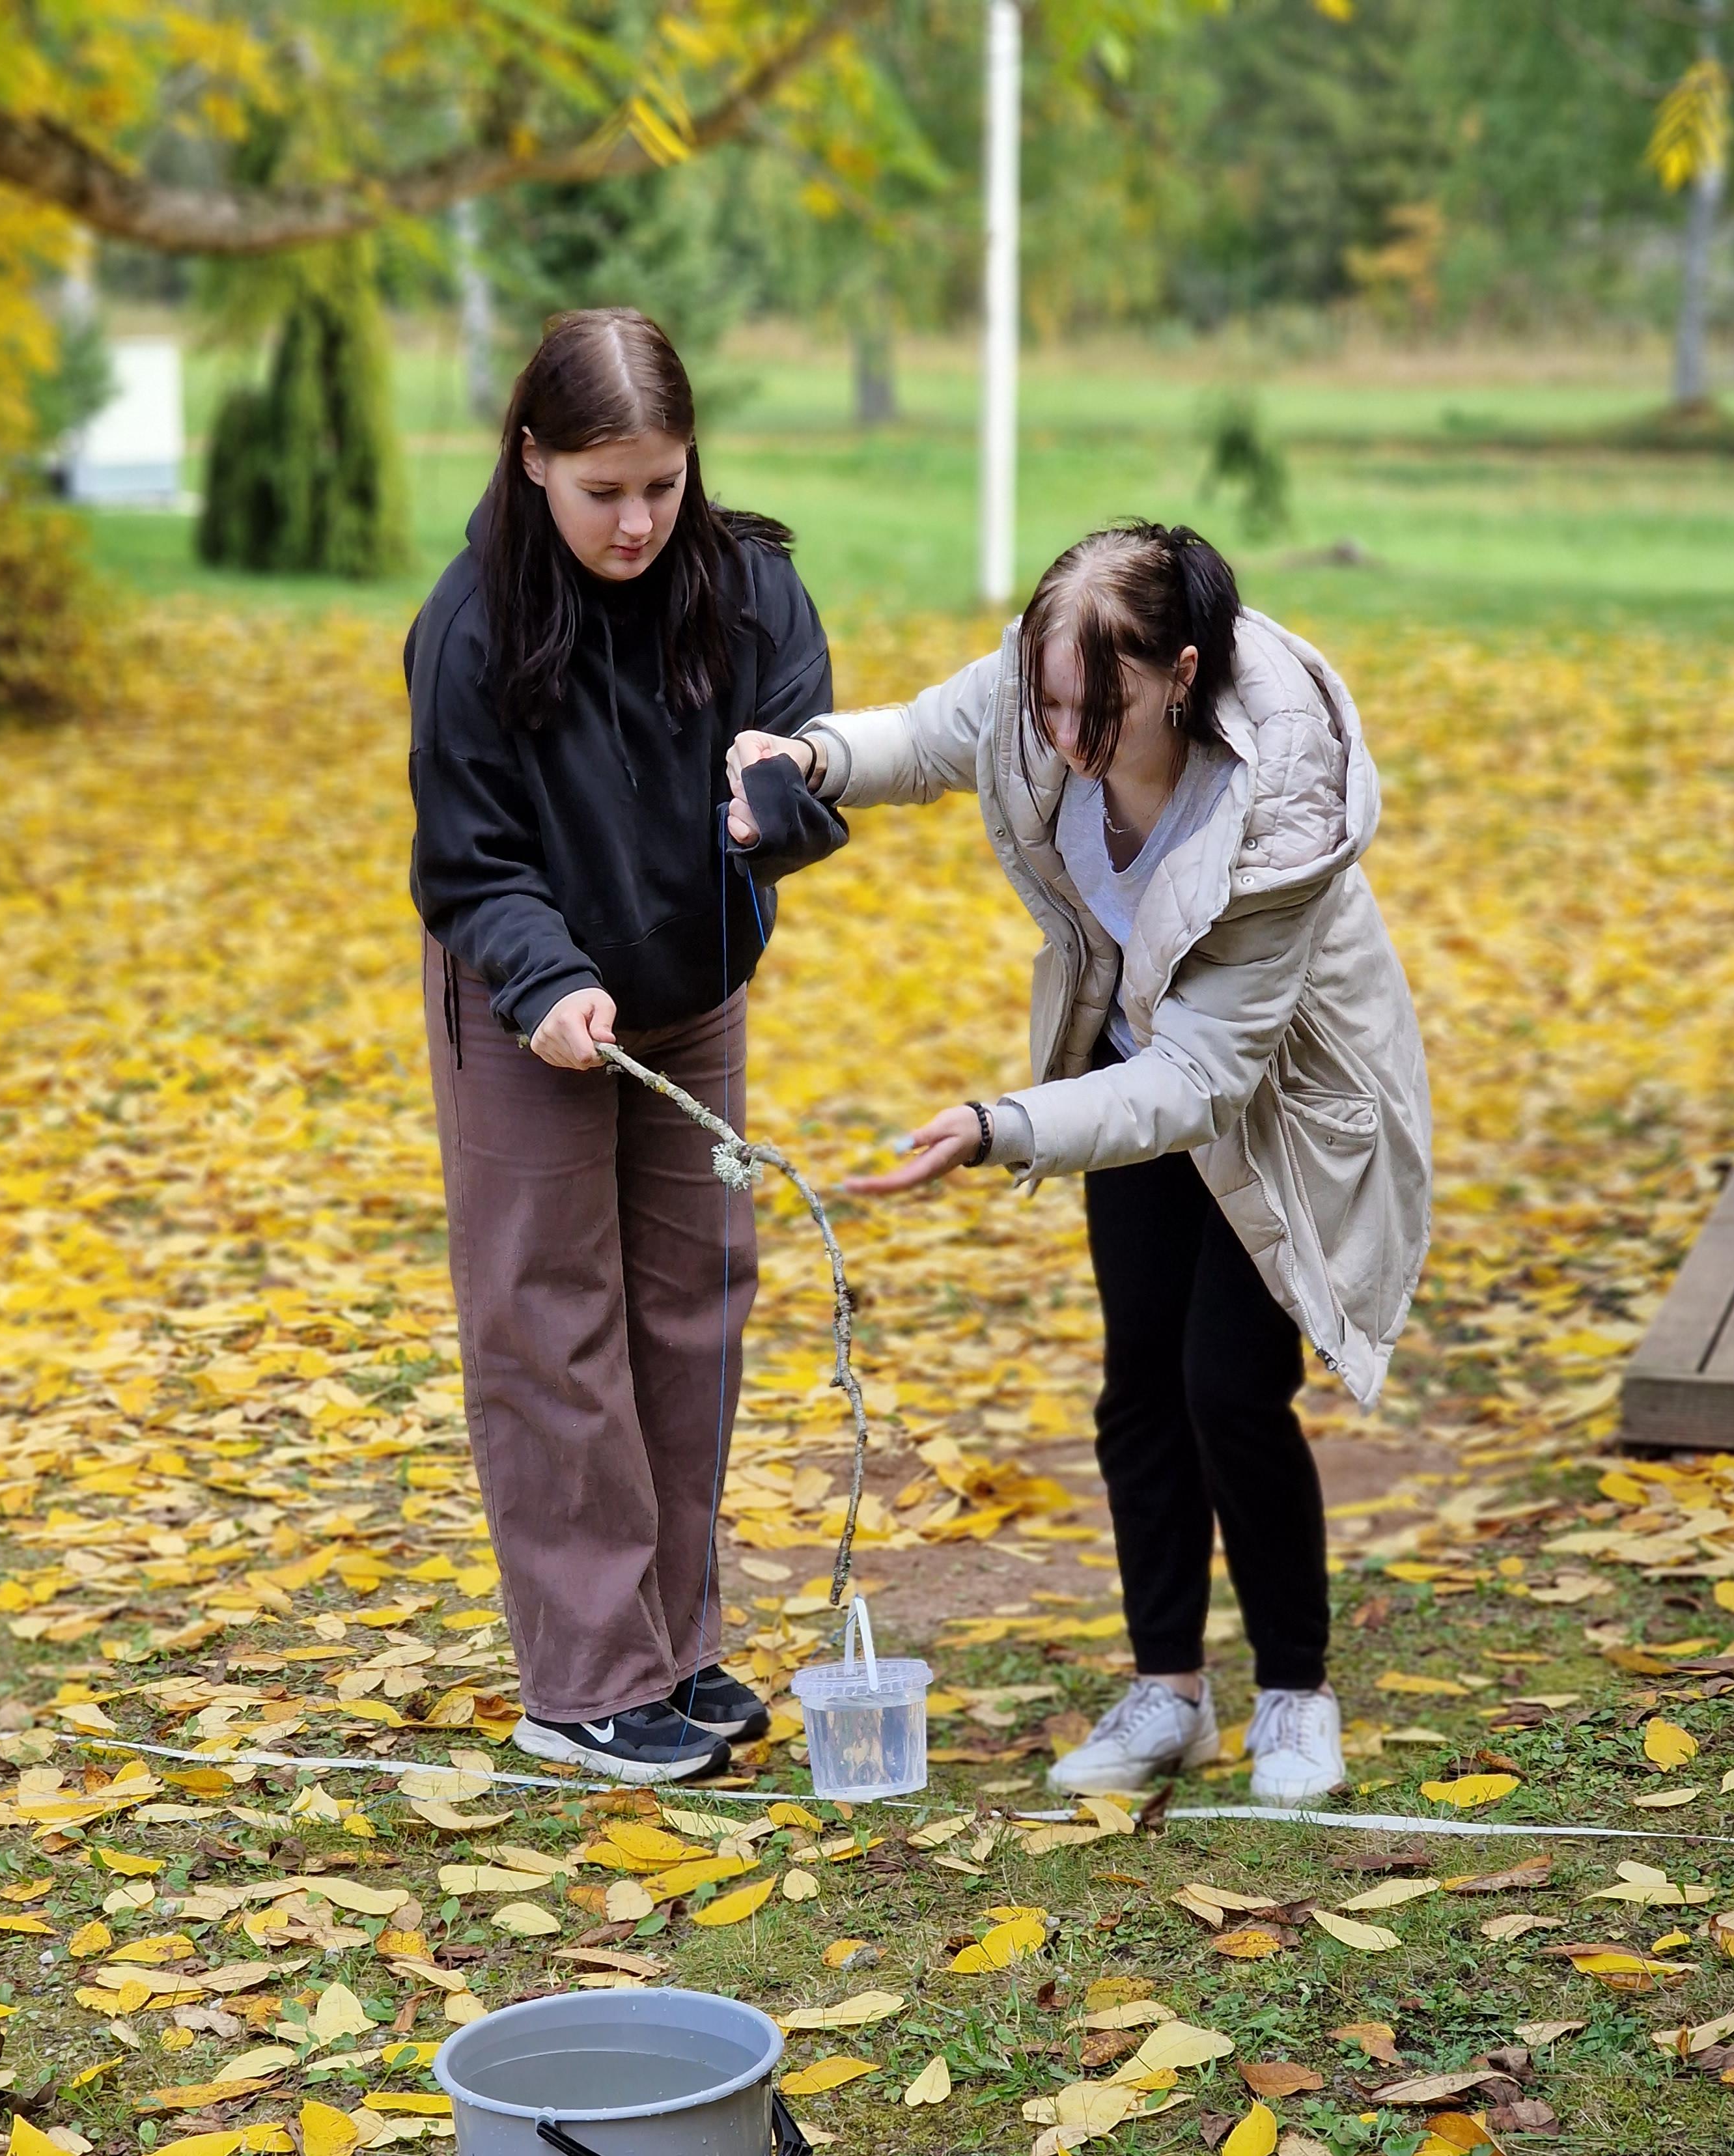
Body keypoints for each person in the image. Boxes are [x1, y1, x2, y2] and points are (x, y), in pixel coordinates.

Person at [727, 521, 1429, 1808]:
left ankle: (1295, 1689)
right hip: (1125, 1068)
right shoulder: (1046, 684)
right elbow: (925, 740)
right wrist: (810, 756)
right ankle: (1169, 1691)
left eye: (1094, 712)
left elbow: (1205, 1079)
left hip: (1274, 1098)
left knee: (1231, 1387)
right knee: (1138, 1386)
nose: (1061, 736)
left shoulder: (1279, 808)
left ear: (1181, 674)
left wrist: (1004, 1124)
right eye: (1047, 704)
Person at [406, 309, 844, 1783]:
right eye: (604, 490)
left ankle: (673, 1643)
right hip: (527, 996)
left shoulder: (750, 586)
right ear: (534, 459)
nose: (639, 521)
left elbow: (810, 758)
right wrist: (547, 982)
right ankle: (586, 1678)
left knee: (694, 1301)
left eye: (663, 482)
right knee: (553, 1317)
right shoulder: (471, 627)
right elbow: (469, 859)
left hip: (692, 989)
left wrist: (780, 800)